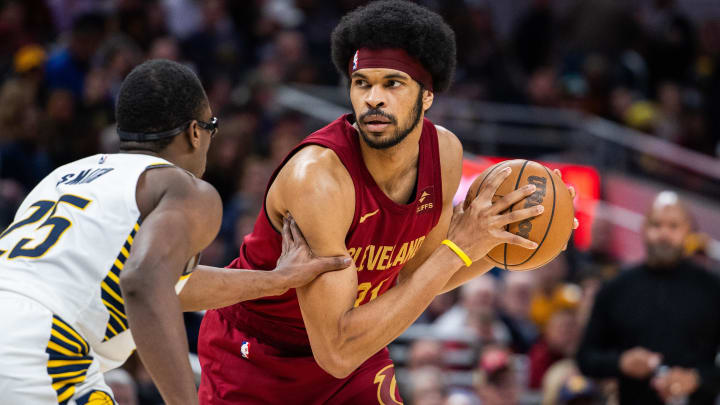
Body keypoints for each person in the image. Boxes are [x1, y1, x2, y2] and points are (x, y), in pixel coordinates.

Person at [198, 1, 557, 403]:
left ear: (426, 97)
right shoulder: (319, 179)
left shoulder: (444, 154)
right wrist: (460, 249)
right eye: (362, 83)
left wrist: (497, 244)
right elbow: (335, 351)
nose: (374, 98)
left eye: (393, 84)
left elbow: (419, 278)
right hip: (259, 355)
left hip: (357, 343)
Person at [0, 59, 351, 405]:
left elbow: (166, 285)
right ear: (194, 132)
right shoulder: (185, 190)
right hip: (41, 347)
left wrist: (277, 279)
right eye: (212, 126)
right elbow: (143, 281)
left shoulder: (66, 176)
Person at [576, 191, 720, 404]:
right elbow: (585, 358)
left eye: (673, 226)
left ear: (687, 230)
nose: (664, 234)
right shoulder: (616, 288)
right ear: (643, 228)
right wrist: (620, 363)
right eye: (656, 225)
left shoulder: (713, 289)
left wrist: (697, 379)